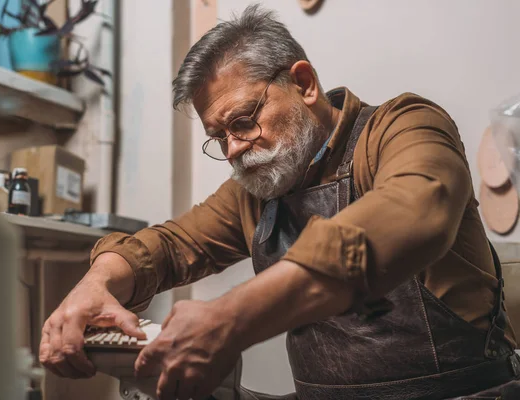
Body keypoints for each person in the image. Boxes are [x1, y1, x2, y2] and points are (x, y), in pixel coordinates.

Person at [39, 4, 520, 400]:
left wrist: (227, 319)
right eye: (218, 136)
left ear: (305, 84)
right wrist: (94, 283)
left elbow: (412, 213)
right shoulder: (260, 186)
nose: (232, 148)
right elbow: (167, 246)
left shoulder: (404, 127)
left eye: (243, 121)